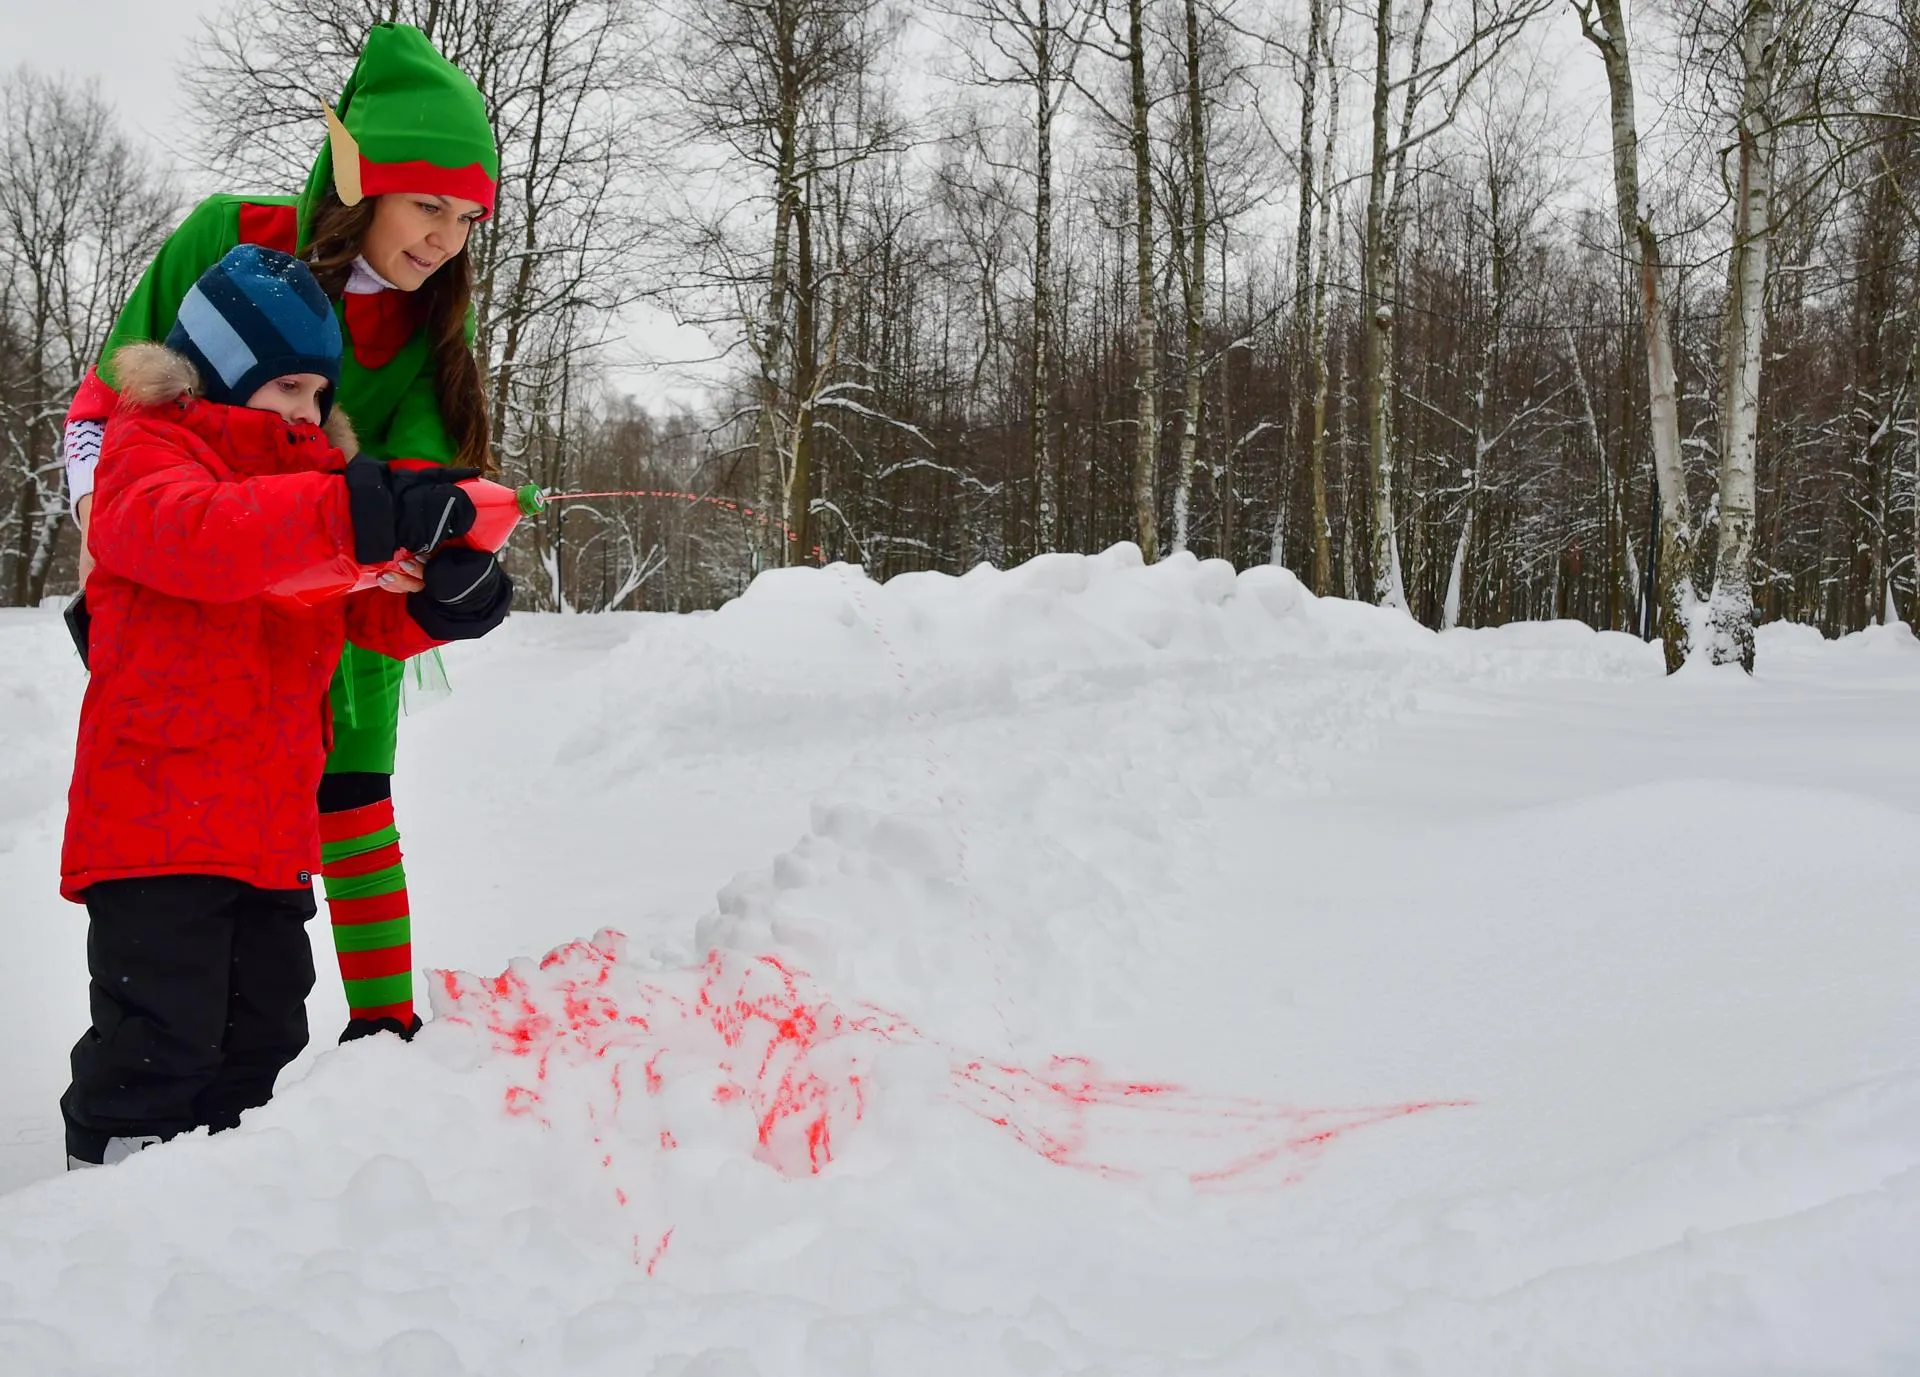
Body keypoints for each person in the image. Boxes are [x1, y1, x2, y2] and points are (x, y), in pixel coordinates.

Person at [66, 23, 501, 1042]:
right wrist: (103, 544)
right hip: (188, 559)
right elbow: (106, 401)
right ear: (362, 185)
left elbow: (431, 480)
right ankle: (159, 1064)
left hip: (335, 578)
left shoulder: (435, 320)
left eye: (468, 218)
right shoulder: (229, 235)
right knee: (183, 811)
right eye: (427, 205)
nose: (445, 239)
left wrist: (449, 570)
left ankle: (383, 1032)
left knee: (350, 783)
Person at [60, 244, 512, 1169]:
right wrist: (349, 507)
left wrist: (440, 599)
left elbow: (360, 609)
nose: (311, 413)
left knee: (262, 1032)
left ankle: (222, 1191)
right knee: (160, 1034)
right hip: (158, 826)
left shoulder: (302, 495)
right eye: (291, 389)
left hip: (267, 835)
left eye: (320, 393)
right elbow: (208, 539)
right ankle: (104, 1200)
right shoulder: (150, 460)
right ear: (220, 376)